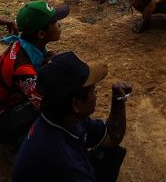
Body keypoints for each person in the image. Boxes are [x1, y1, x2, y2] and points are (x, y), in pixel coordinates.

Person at [12, 52, 132, 182]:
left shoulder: (62, 117)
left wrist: (118, 101)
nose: (96, 95)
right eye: (93, 90)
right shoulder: (65, 162)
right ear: (76, 103)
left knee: (111, 154)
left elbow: (111, 138)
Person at [0, 0, 69, 149]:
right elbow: (43, 103)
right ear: (41, 34)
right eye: (55, 22)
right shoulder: (23, 66)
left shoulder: (25, 47)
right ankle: (21, 146)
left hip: (3, 105)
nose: (60, 25)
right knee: (55, 107)